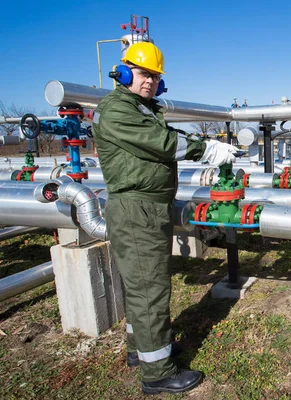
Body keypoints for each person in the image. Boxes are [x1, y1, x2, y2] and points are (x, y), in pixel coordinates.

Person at [92, 41, 238, 394]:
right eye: (143, 74)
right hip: (136, 210)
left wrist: (203, 145)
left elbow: (165, 136)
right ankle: (158, 374)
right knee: (150, 291)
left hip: (146, 207)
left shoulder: (139, 108)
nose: (149, 82)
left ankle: (139, 351)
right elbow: (163, 143)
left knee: (140, 286)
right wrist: (208, 149)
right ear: (125, 72)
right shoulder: (117, 110)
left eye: (155, 77)